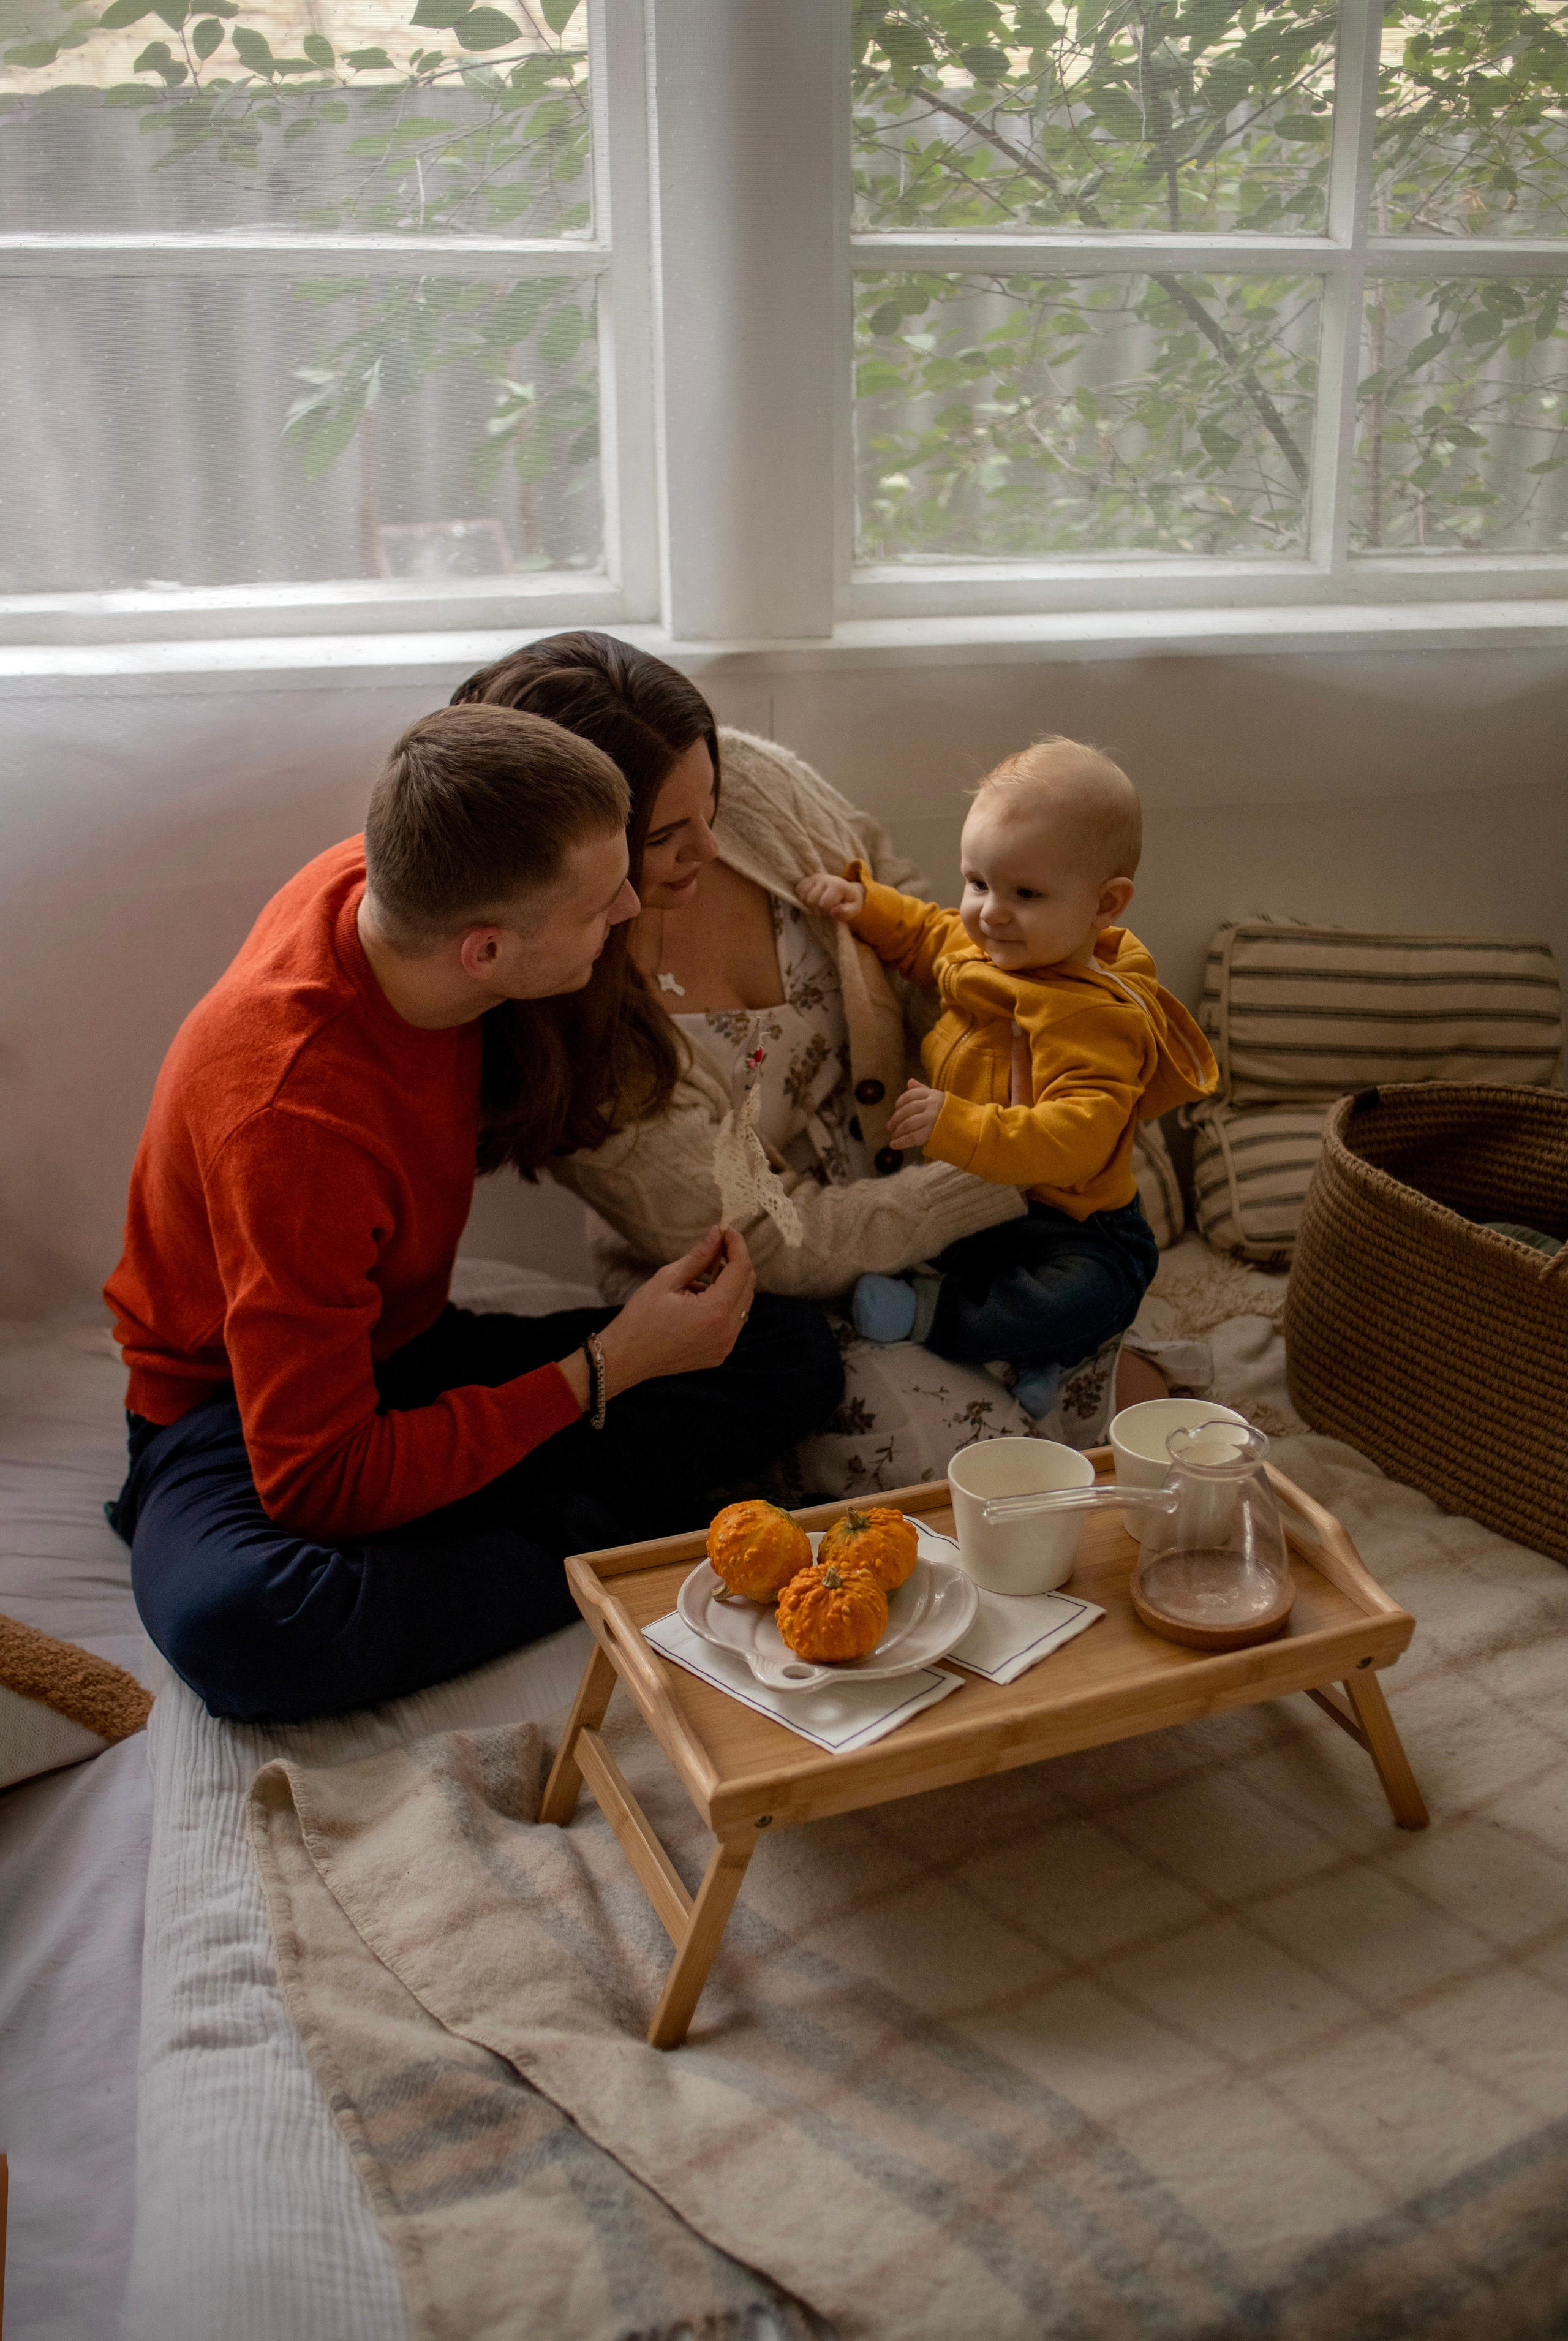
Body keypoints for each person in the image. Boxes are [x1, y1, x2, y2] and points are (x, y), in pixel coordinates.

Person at [104, 703, 843, 1723]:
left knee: (784, 1352)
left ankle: (495, 1515)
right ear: (485, 954)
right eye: (598, 904)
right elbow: (315, 1482)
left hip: (399, 1348)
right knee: (251, 1626)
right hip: (231, 1413)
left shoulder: (385, 884)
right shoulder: (297, 1127)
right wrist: (608, 1368)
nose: (629, 906)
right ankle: (585, 1545)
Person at [450, 633, 1030, 1301]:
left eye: (711, 804)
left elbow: (905, 912)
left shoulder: (751, 784)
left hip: (970, 1177)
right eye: (664, 838)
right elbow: (764, 1240)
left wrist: (1023, 1063)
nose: (709, 844)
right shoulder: (569, 1016)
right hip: (765, 1293)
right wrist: (1006, 1170)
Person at [797, 738, 1218, 1417]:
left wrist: (956, 1125)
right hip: (980, 1197)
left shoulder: (1094, 1015)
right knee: (931, 1246)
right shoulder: (983, 941)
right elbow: (921, 935)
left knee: (1091, 1294)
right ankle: (1033, 1356)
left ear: (1105, 904)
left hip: (1072, 1222)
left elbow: (1076, 1137)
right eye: (977, 881)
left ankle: (934, 1319)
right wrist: (861, 902)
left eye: (1025, 893)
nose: (990, 910)